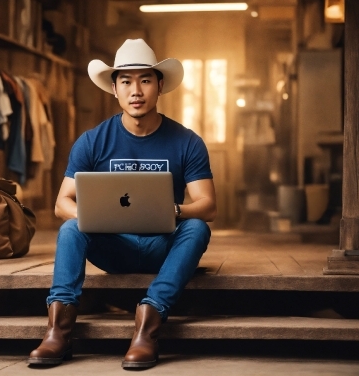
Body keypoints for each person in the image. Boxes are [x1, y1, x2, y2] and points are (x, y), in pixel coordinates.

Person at [28, 38, 217, 369]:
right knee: (71, 227)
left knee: (196, 228)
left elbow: (207, 205)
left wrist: (173, 211)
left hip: (162, 245)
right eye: (126, 81)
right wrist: (101, 217)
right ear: (114, 89)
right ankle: (58, 330)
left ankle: (148, 325)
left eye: (145, 80)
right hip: (115, 247)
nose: (136, 91)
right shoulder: (92, 141)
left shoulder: (187, 141)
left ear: (160, 86)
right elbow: (62, 204)